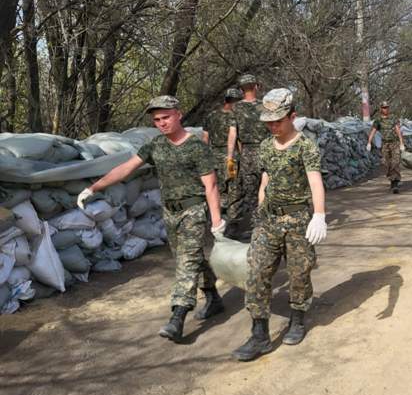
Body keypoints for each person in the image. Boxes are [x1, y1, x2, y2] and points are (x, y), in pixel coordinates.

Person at [77, 96, 226, 340]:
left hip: (193, 210)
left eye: (166, 117)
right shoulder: (156, 145)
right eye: (157, 120)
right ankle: (213, 297)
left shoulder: (196, 147)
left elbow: (210, 185)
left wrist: (217, 221)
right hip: (169, 212)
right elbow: (126, 168)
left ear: (178, 114)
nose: (162, 123)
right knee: (190, 258)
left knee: (186, 262)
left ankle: (177, 317)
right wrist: (93, 188)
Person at [233, 89, 327, 361]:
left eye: (278, 120)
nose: (272, 126)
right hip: (269, 219)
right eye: (269, 121)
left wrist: (319, 215)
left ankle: (297, 319)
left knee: (299, 272)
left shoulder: (305, 146)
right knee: (257, 271)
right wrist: (261, 206)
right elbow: (266, 177)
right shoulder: (265, 146)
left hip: (298, 220)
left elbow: (315, 181)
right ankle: (259, 334)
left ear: (292, 116)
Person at [226, 74, 270, 240]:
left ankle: (256, 227)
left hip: (247, 155)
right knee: (269, 188)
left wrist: (230, 158)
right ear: (256, 87)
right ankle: (270, 223)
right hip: (267, 151)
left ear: (241, 89)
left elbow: (232, 134)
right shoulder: (265, 106)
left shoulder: (235, 109)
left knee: (251, 192)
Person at [203, 87, 241, 214]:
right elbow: (237, 139)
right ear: (234, 101)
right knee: (233, 186)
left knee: (217, 186)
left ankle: (218, 213)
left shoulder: (210, 116)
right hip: (231, 157)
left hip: (214, 157)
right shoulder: (234, 117)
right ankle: (232, 216)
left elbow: (205, 138)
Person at [366, 100, 406, 193]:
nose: (386, 109)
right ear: (381, 109)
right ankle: (392, 179)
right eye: (384, 108)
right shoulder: (378, 120)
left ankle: (395, 181)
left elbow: (397, 130)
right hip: (385, 144)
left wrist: (401, 143)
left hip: (394, 143)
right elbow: (373, 131)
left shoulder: (393, 118)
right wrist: (368, 142)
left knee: (395, 162)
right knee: (386, 163)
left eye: (387, 107)